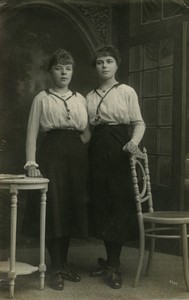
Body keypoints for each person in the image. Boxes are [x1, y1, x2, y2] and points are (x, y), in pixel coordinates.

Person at [24, 48, 91, 290]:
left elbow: (87, 132)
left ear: (72, 71)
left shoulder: (80, 98)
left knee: (71, 209)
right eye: (59, 68)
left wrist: (74, 146)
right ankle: (55, 267)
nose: (64, 72)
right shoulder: (42, 98)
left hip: (76, 160)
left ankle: (63, 265)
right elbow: (31, 134)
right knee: (54, 210)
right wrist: (32, 163)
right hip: (51, 157)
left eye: (68, 68)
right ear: (51, 71)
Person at [86, 45, 145, 289]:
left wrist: (132, 143)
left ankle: (114, 264)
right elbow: (87, 131)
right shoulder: (89, 96)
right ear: (96, 67)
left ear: (117, 65)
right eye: (100, 62)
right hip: (97, 151)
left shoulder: (127, 91)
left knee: (118, 205)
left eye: (109, 61)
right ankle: (109, 260)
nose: (105, 66)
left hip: (120, 150)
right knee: (101, 204)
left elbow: (139, 123)